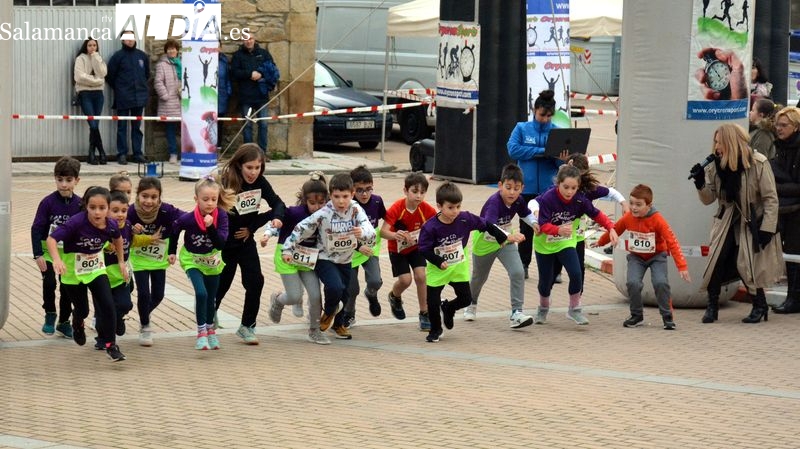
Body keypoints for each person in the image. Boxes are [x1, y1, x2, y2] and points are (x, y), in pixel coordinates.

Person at [690, 123, 782, 323]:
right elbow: (708, 199)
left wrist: (767, 227)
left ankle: (759, 305)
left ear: (731, 142)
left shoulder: (757, 163)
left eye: (719, 142)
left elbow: (770, 198)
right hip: (726, 221)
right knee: (716, 262)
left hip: (750, 221)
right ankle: (712, 307)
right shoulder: (716, 164)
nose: (716, 147)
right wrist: (700, 183)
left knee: (747, 264)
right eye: (715, 142)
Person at [281, 173, 376, 341]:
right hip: (325, 258)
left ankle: (338, 325)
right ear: (330, 195)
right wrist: (288, 248)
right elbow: (301, 228)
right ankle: (329, 312)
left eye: (345, 196)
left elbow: (369, 228)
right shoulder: (324, 212)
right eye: (336, 197)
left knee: (345, 294)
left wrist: (362, 232)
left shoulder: (355, 209)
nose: (341, 201)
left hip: (346, 258)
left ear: (352, 194)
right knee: (335, 287)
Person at [419, 182, 511, 343]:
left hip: (458, 267)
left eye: (458, 206)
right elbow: (424, 249)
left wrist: (500, 236)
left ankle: (449, 308)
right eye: (450, 207)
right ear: (439, 206)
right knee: (432, 302)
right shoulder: (430, 227)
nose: (455, 211)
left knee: (466, 299)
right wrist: (438, 261)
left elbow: (485, 224)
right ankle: (435, 329)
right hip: (438, 268)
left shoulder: (465, 218)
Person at [46, 186, 128, 362]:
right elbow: (51, 239)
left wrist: (121, 261)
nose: (97, 213)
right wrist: (56, 260)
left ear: (107, 207)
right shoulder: (76, 222)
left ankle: (111, 346)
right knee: (82, 310)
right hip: (71, 272)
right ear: (86, 206)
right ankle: (77, 323)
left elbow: (118, 239)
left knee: (108, 305)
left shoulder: (111, 224)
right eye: (92, 208)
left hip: (95, 269)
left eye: (102, 208)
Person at [215, 143, 286, 345]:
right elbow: (212, 210)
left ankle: (247, 326)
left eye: (257, 167)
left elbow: (279, 205)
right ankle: (210, 314)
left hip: (246, 242)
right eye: (249, 167)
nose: (253, 172)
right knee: (223, 284)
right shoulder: (227, 182)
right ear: (239, 165)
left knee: (256, 281)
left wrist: (262, 223)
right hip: (225, 243)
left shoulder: (261, 183)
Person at [594, 184, 690, 330]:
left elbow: (672, 241)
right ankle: (636, 315)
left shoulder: (658, 220)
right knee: (633, 283)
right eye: (631, 203)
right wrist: (601, 241)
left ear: (649, 205)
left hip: (657, 256)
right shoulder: (628, 217)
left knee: (660, 283)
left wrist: (682, 266)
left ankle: (667, 316)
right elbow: (615, 230)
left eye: (638, 205)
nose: (633, 208)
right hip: (636, 257)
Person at [534, 165, 618, 325]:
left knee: (576, 273)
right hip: (545, 244)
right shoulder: (548, 198)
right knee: (545, 282)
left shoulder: (580, 199)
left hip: (566, 241)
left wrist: (611, 228)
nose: (569, 192)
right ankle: (543, 308)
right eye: (566, 187)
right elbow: (543, 224)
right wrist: (557, 229)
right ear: (558, 183)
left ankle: (574, 309)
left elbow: (596, 214)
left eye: (573, 188)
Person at [464, 164, 534, 328]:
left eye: (516, 188)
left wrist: (535, 223)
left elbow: (526, 214)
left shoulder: (519, 200)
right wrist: (510, 236)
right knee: (478, 278)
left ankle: (516, 313)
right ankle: (471, 303)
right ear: (500, 185)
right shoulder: (494, 203)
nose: (512, 192)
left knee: (517, 272)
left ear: (522, 188)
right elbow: (489, 225)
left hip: (505, 242)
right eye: (508, 187)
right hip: (486, 242)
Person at [262, 172, 329, 344]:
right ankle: (278, 300)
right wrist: (267, 234)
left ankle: (315, 330)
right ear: (304, 199)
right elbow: (276, 221)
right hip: (287, 255)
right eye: (312, 203)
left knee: (315, 295)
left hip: (308, 258)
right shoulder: (294, 212)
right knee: (294, 296)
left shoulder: (327, 215)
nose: (317, 207)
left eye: (321, 203)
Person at [169, 177, 234, 350]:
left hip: (212, 260)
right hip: (192, 260)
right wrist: (172, 251)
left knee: (211, 298)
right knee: (201, 293)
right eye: (205, 199)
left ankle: (211, 330)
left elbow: (221, 244)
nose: (210, 203)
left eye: (214, 199)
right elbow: (174, 229)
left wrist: (211, 227)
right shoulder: (188, 218)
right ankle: (201, 332)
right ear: (196, 199)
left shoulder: (222, 216)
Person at [507, 89, 565, 279]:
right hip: (527, 189)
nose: (545, 119)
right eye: (542, 115)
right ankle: (523, 265)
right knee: (527, 228)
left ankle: (555, 271)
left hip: (550, 190)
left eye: (549, 116)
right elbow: (513, 150)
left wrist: (561, 158)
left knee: (553, 229)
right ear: (534, 109)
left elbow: (559, 164)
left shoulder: (556, 131)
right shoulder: (522, 128)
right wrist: (542, 151)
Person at [95, 190, 160, 350]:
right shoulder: (100, 228)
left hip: (122, 276)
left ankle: (117, 320)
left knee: (125, 305)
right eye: (115, 211)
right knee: (102, 310)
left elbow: (133, 241)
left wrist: (149, 239)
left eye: (123, 211)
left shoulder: (128, 226)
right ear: (106, 210)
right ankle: (102, 338)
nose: (120, 215)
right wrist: (105, 246)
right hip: (101, 278)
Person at [128, 176, 184, 346]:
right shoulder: (130, 211)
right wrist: (130, 228)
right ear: (138, 196)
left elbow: (185, 219)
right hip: (140, 260)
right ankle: (145, 326)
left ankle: (144, 314)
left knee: (158, 295)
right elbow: (116, 225)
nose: (149, 201)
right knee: (144, 293)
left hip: (159, 259)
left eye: (154, 197)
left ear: (159, 197)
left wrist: (204, 216)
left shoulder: (166, 211)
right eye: (145, 196)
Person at [30, 157, 82, 338]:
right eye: (60, 180)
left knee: (67, 287)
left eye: (68, 180)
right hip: (48, 251)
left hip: (69, 253)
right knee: (50, 281)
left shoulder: (80, 204)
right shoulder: (48, 203)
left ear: (77, 181)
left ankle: (64, 321)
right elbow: (36, 228)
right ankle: (50, 314)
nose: (64, 184)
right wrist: (38, 254)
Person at [381, 173, 437, 330]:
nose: (419, 196)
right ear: (405, 191)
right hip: (397, 250)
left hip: (416, 249)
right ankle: (394, 296)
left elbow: (438, 224)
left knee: (421, 276)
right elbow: (383, 232)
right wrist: (395, 234)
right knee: (406, 280)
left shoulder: (426, 210)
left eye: (422, 192)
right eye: (415, 191)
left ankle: (424, 313)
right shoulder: (397, 208)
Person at [343, 165, 385, 327]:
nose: (365, 194)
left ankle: (371, 294)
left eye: (369, 189)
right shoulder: (347, 206)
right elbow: (342, 232)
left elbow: (388, 218)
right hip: (350, 252)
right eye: (360, 190)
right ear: (352, 190)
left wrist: (400, 229)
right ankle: (349, 313)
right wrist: (357, 244)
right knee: (352, 289)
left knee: (376, 281)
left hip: (370, 250)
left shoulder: (376, 201)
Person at [770, 106, 800, 314]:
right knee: (790, 255)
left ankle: (794, 299)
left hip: (796, 211)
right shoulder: (779, 148)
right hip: (786, 209)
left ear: (796, 127)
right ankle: (793, 297)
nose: (779, 129)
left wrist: (776, 187)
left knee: (795, 254)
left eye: (784, 125)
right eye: (777, 125)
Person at [106, 30, 149, 165]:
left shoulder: (142, 56)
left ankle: (137, 153)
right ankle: (122, 154)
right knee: (122, 127)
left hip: (139, 97)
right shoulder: (117, 57)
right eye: (127, 38)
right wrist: (120, 89)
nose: (129, 40)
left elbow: (147, 74)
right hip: (123, 97)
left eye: (132, 38)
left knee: (137, 127)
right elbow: (110, 76)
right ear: (122, 40)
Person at [231, 36, 279, 152]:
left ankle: (262, 152)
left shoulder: (264, 53)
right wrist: (249, 74)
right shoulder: (238, 56)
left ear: (254, 39)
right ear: (243, 41)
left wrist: (261, 74)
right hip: (245, 96)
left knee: (263, 124)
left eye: (250, 38)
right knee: (247, 126)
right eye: (246, 39)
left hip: (261, 96)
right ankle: (248, 152)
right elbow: (234, 73)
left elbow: (272, 69)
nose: (248, 41)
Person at [74, 37, 108, 165]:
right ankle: (101, 152)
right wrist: (97, 81)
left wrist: (95, 58)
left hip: (98, 95)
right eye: (90, 45)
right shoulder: (80, 59)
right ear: (85, 46)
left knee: (95, 125)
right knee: (93, 124)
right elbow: (79, 77)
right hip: (85, 94)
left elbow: (103, 73)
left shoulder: (99, 58)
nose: (92, 47)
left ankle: (92, 154)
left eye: (94, 45)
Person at [154, 39, 182, 164]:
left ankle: (187, 152)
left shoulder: (183, 63)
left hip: (183, 101)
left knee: (186, 128)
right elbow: (158, 82)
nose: (172, 51)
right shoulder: (161, 65)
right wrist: (165, 95)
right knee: (170, 130)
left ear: (177, 50)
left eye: (174, 48)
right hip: (169, 102)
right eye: (169, 49)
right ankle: (173, 153)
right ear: (166, 51)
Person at [217, 51, 233, 150]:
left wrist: (228, 92)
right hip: (206, 95)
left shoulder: (224, 61)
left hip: (221, 95)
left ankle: (218, 148)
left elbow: (228, 78)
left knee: (219, 123)